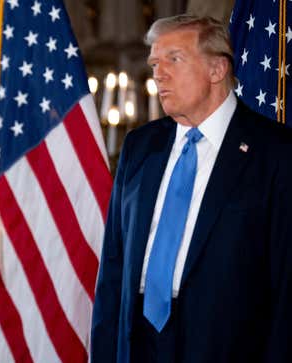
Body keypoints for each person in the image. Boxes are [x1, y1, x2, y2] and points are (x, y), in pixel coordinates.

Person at [91, 15, 292, 363]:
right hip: (139, 340)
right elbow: (113, 269)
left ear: (216, 69)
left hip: (227, 344)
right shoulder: (140, 146)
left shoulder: (276, 152)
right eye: (155, 62)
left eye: (174, 59)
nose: (158, 73)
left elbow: (287, 286)